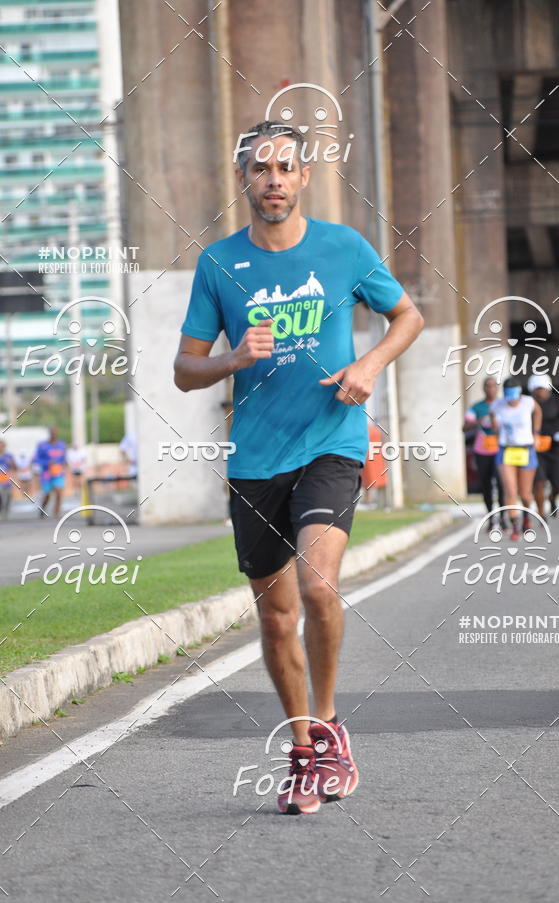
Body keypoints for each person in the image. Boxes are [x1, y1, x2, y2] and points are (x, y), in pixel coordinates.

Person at [174, 120, 423, 814]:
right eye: (261, 168)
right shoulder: (219, 264)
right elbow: (184, 369)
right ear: (243, 179)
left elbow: (407, 316)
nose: (273, 179)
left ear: (304, 175)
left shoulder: (342, 247)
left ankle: (331, 724)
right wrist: (233, 358)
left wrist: (368, 364)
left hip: (330, 441)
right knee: (277, 618)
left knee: (318, 586)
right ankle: (303, 750)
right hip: (255, 458)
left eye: (285, 166)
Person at [490, 377, 542, 541]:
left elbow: (538, 412)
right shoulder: (498, 405)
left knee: (525, 493)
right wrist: (496, 432)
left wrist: (536, 433)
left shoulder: (528, 402)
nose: (512, 402)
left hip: (525, 449)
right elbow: (492, 415)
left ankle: (527, 517)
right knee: (510, 491)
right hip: (506, 450)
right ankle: (515, 525)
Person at [464, 377, 507, 531]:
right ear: (483, 388)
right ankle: (491, 518)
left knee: (502, 485)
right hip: (482, 451)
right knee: (486, 485)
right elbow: (464, 427)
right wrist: (477, 422)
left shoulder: (503, 405)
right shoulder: (477, 407)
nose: (490, 389)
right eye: (487, 386)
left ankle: (503, 518)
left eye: (493, 386)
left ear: (497, 388)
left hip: (500, 450)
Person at [528, 374, 559, 519]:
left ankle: (552, 498)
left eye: (542, 389)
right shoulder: (528, 404)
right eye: (537, 389)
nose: (540, 392)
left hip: (555, 448)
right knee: (539, 482)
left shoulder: (558, 402)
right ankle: (541, 513)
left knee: (557, 484)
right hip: (536, 449)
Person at [34, 426, 67, 517]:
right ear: (49, 433)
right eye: (52, 432)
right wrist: (46, 463)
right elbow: (36, 459)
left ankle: (57, 513)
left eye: (55, 432)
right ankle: (42, 509)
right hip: (46, 474)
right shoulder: (42, 445)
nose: (54, 434)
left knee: (59, 491)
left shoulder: (62, 444)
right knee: (47, 495)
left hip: (58, 473)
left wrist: (65, 464)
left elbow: (64, 458)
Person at [0, 441, 16, 521]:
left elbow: (15, 467)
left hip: (7, 480)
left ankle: (5, 512)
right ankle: (2, 512)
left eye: (2, 446)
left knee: (8, 497)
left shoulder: (9, 456)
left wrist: (12, 463)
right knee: (1, 496)